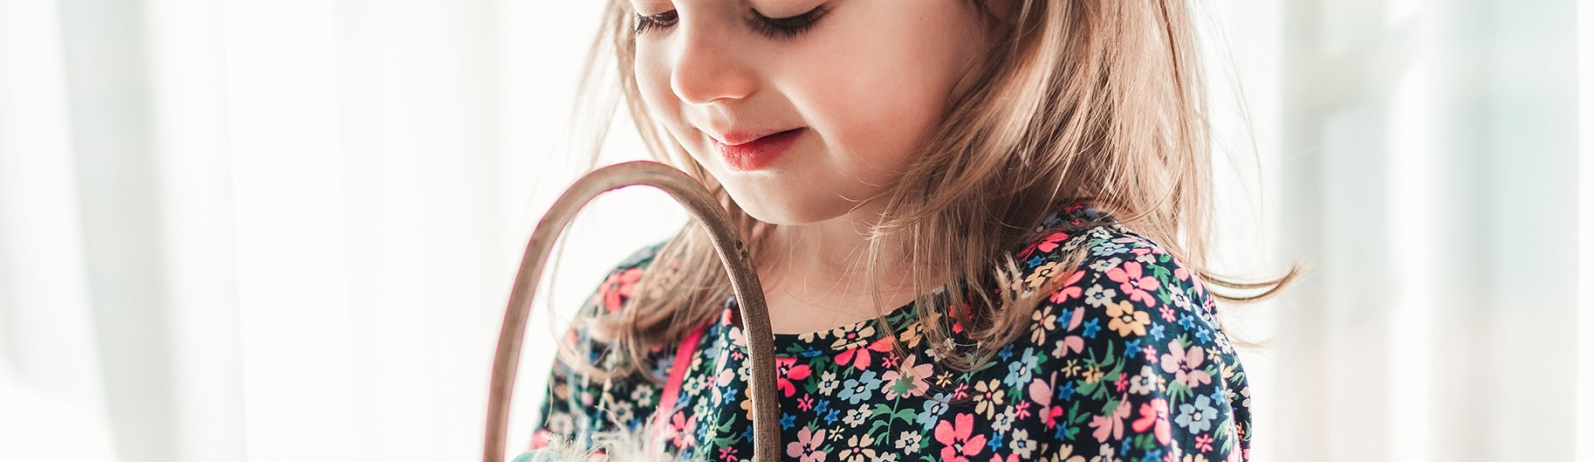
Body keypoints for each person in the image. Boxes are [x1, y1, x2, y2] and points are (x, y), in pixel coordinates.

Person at [526, 1, 1296, 461]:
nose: (694, 78)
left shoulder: (1101, 330)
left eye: (784, 9)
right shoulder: (631, 329)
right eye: (654, 11)